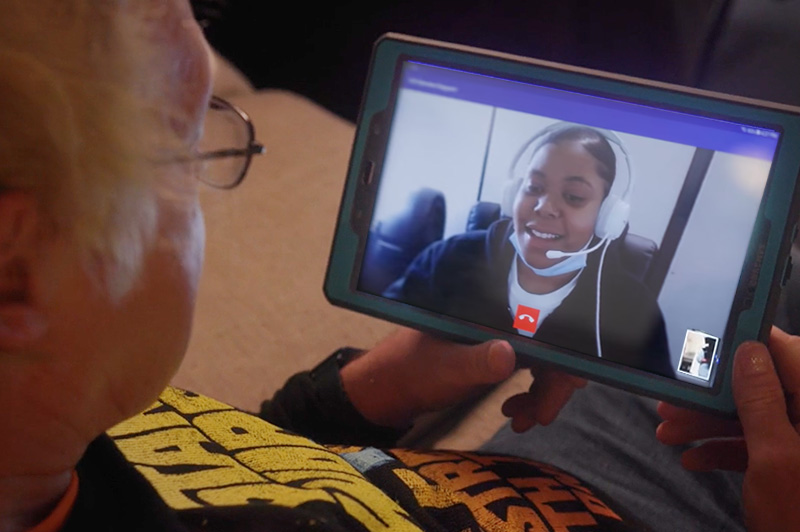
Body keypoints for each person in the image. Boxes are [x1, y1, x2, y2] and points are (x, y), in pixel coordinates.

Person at [1, 2, 798, 531]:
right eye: (183, 152)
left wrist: (379, 389)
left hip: (521, 472)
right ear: (16, 271)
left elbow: (230, 478)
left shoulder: (64, 424)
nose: (547, 209)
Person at [384, 125, 673, 377]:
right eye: (534, 187)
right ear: (514, 194)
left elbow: (650, 407)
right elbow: (386, 328)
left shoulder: (635, 310)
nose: (544, 207)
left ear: (605, 217)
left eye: (573, 197)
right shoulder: (449, 258)